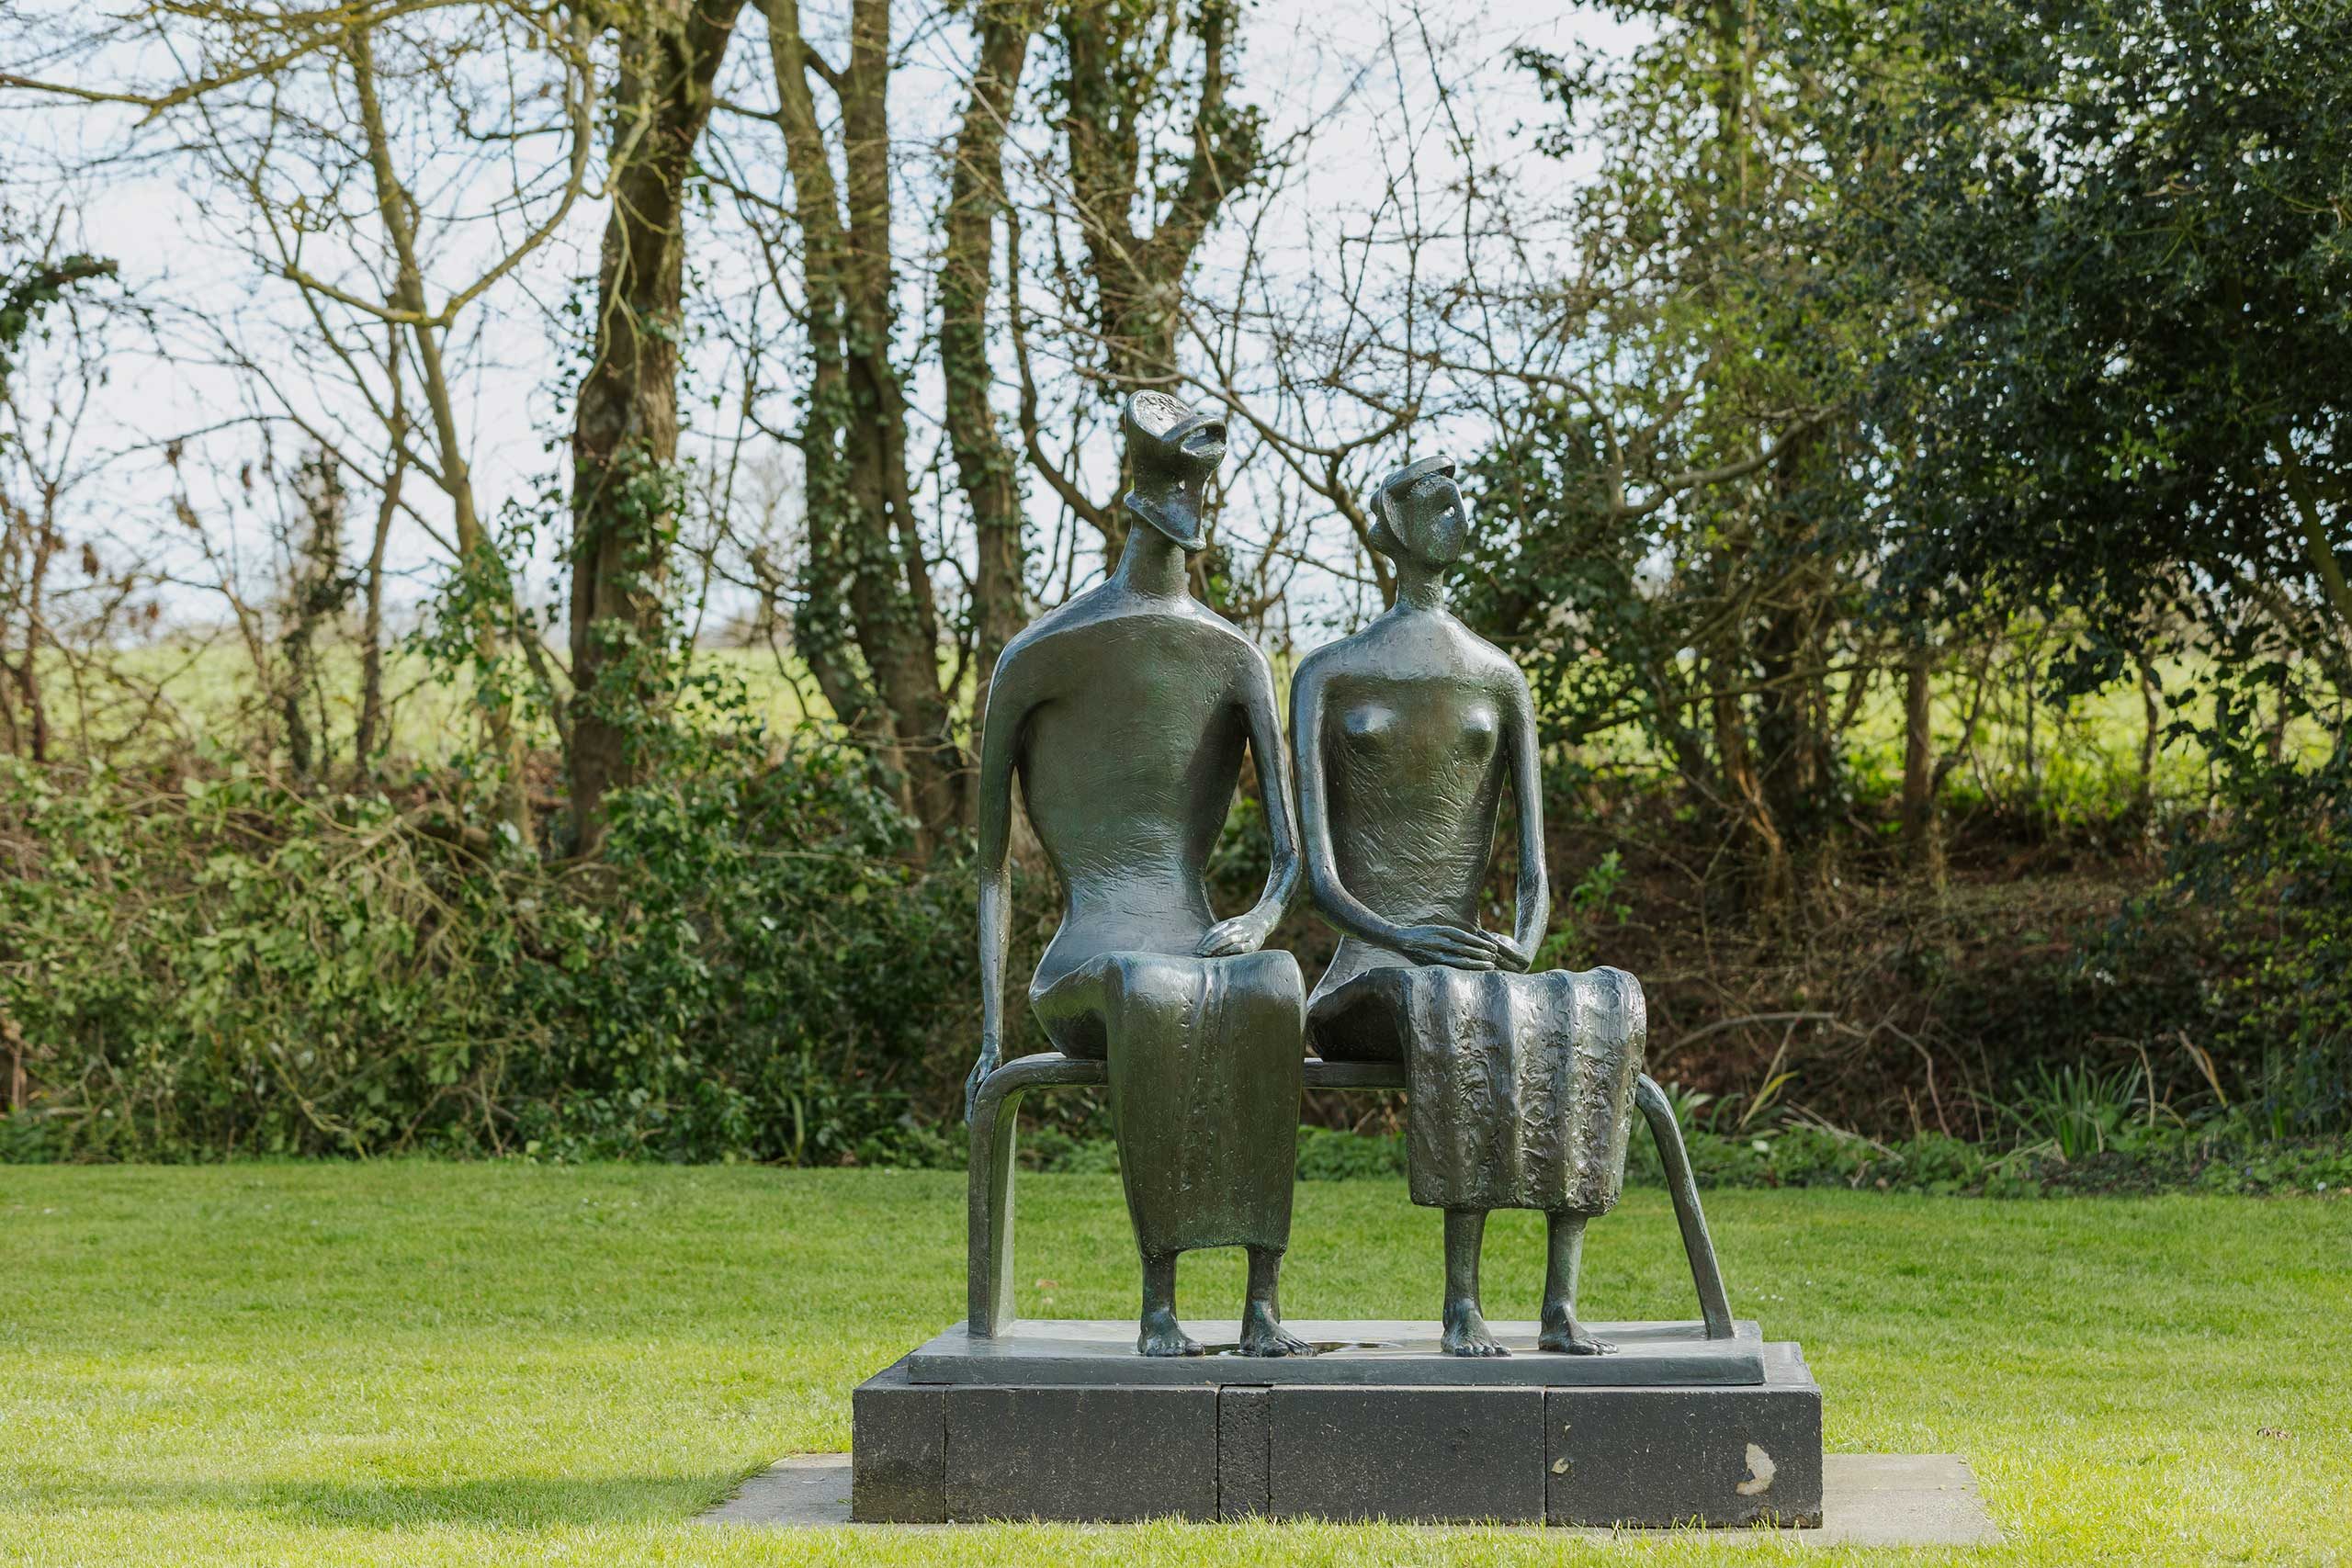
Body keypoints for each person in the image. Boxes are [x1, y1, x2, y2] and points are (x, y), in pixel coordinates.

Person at [967, 390, 1312, 1359]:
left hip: (1201, 941)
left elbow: (1290, 859)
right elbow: (990, 865)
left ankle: (1259, 1298)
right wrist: (991, 1031)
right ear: (1139, 504)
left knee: (1274, 987)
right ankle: (1159, 1299)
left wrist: (1258, 922)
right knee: (1147, 989)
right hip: (1088, 959)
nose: (1185, 516)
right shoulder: (1043, 654)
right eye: (1176, 493)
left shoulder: (1232, 655)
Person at [1292, 455, 1645, 1357]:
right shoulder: (1328, 674)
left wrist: (1522, 946)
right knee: (1451, 1007)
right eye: (1436, 501)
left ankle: (1560, 1300)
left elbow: (1534, 869)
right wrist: (1399, 935)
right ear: (1391, 526)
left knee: (1598, 1003)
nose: (1457, 515)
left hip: (1471, 966)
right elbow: (1316, 876)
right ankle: (1461, 1301)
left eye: (1462, 499)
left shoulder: (1498, 675)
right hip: (1365, 973)